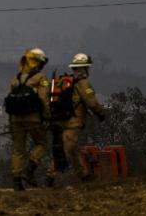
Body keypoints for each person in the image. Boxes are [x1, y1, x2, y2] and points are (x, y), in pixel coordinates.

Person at [45, 53, 106, 186]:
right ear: (84, 68)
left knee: (73, 149)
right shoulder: (83, 83)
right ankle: (50, 176)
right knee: (65, 149)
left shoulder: (66, 81)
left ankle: (84, 175)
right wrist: (101, 114)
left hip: (61, 120)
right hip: (74, 122)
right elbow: (92, 103)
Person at [5, 48, 51, 191]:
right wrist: (47, 116)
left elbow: (9, 101)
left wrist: (10, 122)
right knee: (42, 144)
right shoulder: (41, 78)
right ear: (37, 62)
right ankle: (30, 169)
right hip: (34, 118)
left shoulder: (16, 79)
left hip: (15, 120)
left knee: (18, 149)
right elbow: (44, 98)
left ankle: (17, 182)